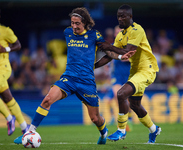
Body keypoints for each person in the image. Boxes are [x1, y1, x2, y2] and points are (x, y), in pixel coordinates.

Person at [14, 7, 135, 145]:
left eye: (77, 23)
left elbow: (109, 51)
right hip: (69, 78)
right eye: (72, 22)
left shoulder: (94, 35)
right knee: (47, 100)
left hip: (87, 82)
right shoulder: (67, 32)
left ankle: (103, 132)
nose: (74, 26)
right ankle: (29, 132)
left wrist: (120, 55)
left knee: (95, 118)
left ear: (84, 22)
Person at [95, 4, 161, 143]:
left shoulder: (137, 30)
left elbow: (128, 51)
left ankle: (121, 130)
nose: (120, 19)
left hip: (147, 69)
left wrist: (109, 46)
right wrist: (93, 66)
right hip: (135, 71)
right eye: (118, 16)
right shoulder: (120, 35)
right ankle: (154, 130)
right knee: (135, 106)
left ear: (130, 17)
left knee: (120, 93)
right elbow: (110, 55)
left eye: (123, 16)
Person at [0, 5, 29, 136]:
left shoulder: (5, 31)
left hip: (3, 68)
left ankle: (9, 118)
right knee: (8, 98)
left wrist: (6, 49)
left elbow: (18, 45)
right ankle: (25, 127)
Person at [102, 25, 133, 131]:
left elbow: (131, 59)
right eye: (116, 32)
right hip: (117, 77)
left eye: (120, 31)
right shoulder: (112, 46)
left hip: (129, 76)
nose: (118, 33)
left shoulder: (131, 46)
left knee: (130, 102)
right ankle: (120, 122)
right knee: (117, 95)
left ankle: (127, 118)